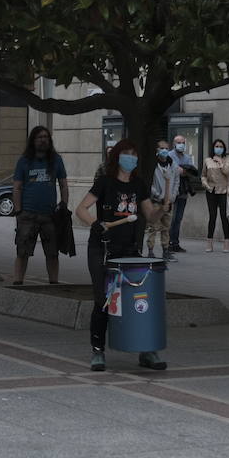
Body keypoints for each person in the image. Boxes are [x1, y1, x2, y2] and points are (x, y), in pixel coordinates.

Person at [75, 139, 164, 372]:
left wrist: (164, 207)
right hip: (103, 249)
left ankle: (146, 350)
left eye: (134, 154)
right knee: (102, 300)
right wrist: (96, 224)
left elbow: (151, 216)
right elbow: (81, 209)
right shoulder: (105, 182)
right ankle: (97, 351)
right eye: (126, 153)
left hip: (130, 250)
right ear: (117, 157)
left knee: (139, 299)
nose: (131, 158)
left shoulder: (139, 185)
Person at [11, 125, 69, 284]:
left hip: (50, 215)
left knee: (52, 253)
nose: (43, 140)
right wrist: (18, 211)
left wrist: (63, 205)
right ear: (33, 141)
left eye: (46, 137)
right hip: (27, 214)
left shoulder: (56, 160)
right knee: (22, 252)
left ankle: (53, 283)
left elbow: (63, 184)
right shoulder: (24, 161)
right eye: (39, 137)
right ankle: (18, 282)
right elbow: (17, 187)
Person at [145, 139, 179, 260]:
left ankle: (165, 250)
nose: (164, 150)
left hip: (168, 202)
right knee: (153, 226)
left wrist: (171, 197)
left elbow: (176, 182)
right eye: (161, 148)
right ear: (157, 150)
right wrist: (159, 195)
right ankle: (150, 250)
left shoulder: (172, 164)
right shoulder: (153, 165)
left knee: (166, 227)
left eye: (166, 148)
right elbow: (149, 183)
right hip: (156, 201)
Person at [203, 138, 229, 252]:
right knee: (212, 216)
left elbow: (227, 172)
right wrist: (205, 184)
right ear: (213, 148)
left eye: (221, 146)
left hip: (223, 191)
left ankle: (227, 243)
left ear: (224, 148)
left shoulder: (227, 160)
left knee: (224, 217)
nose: (218, 148)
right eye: (217, 146)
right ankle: (209, 243)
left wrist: (220, 162)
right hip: (211, 191)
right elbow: (203, 175)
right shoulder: (207, 160)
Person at [167, 135, 195, 253]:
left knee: (178, 218)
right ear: (174, 143)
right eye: (179, 142)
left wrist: (182, 171)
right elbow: (171, 171)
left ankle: (175, 242)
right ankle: (168, 242)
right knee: (171, 218)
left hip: (183, 190)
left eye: (183, 142)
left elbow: (190, 172)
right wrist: (181, 171)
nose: (181, 144)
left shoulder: (187, 157)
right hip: (171, 190)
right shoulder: (169, 155)